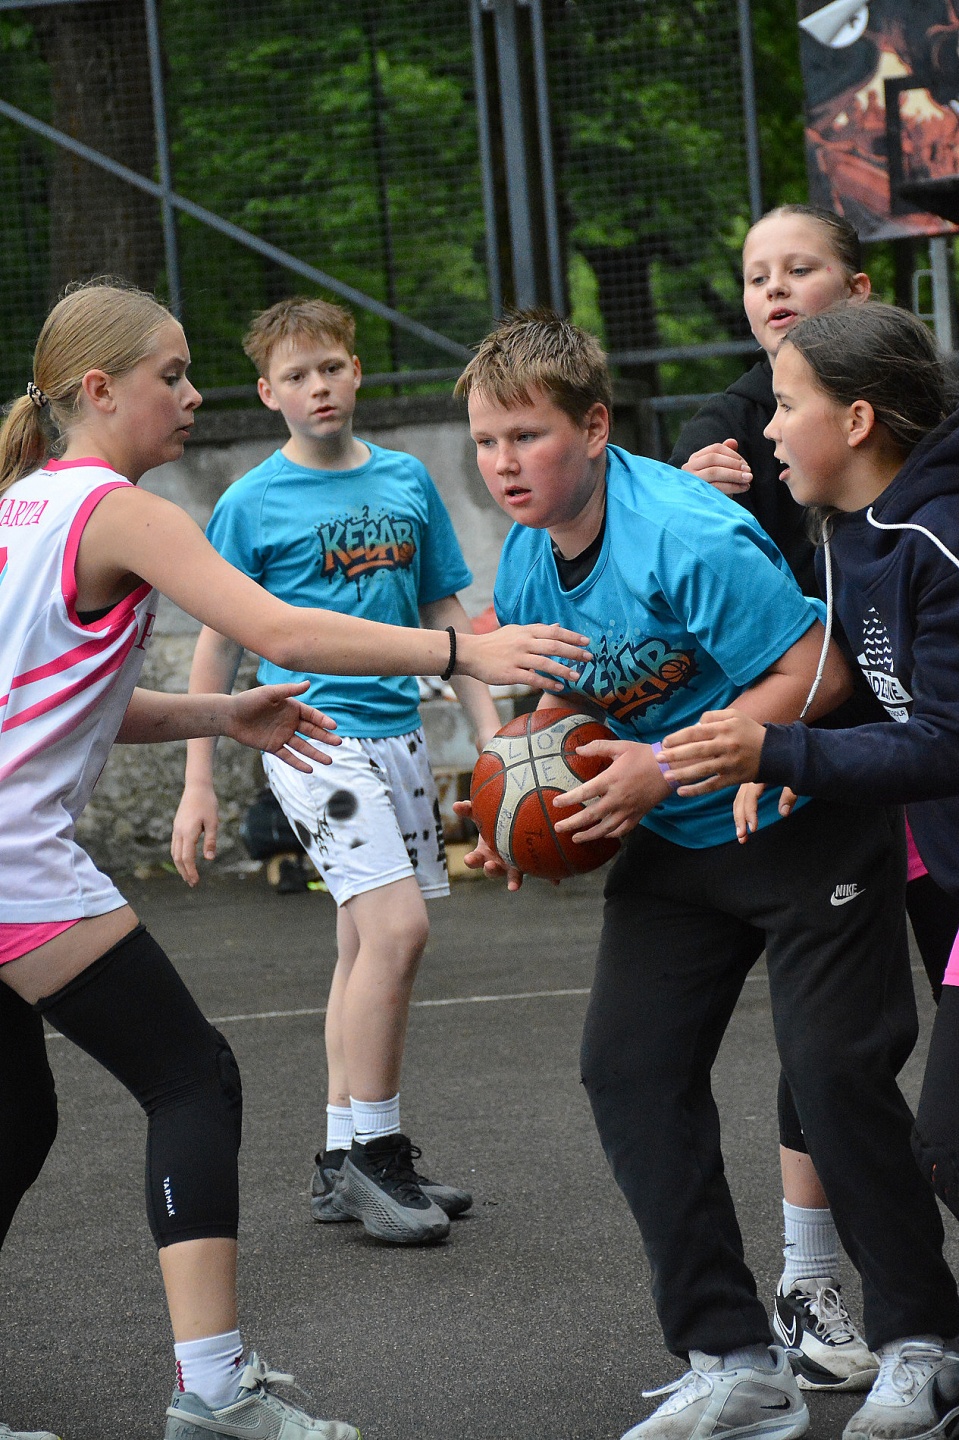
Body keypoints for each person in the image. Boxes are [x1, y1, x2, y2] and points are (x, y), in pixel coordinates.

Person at [0, 280, 589, 1440]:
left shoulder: (21, 506)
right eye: (172, 375)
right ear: (100, 390)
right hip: (18, 865)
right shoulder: (120, 511)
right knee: (191, 1079)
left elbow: (58, 704)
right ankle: (215, 1391)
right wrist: (458, 650)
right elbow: (275, 629)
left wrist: (221, 719)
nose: (193, 394)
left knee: (18, 1119)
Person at [453, 309, 959, 1440]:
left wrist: (665, 764)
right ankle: (732, 1359)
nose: (502, 464)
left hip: (799, 820)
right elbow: (573, 696)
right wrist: (521, 804)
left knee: (831, 1077)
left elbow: (816, 673)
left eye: (526, 437)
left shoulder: (684, 533)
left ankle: (921, 1340)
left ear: (594, 428)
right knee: (626, 1071)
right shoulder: (529, 557)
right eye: (485, 442)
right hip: (676, 836)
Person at [670, 204, 959, 1392]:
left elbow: (940, 739)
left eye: (785, 406)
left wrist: (772, 753)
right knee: (911, 1119)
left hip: (930, 821)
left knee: (941, 1140)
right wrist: (769, 743)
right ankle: (870, 1313)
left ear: (854, 418)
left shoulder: (931, 540)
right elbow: (853, 687)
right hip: (930, 848)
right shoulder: (841, 523)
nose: (765, 423)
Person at [170, 296, 497, 1247]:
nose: (317, 386)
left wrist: (490, 738)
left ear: (356, 372)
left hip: (399, 739)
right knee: (398, 931)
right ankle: (376, 1157)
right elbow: (217, 647)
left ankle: (338, 1157)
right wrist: (198, 781)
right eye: (296, 375)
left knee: (361, 947)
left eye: (331, 367)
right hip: (312, 742)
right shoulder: (249, 502)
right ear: (267, 393)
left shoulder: (406, 479)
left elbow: (446, 615)